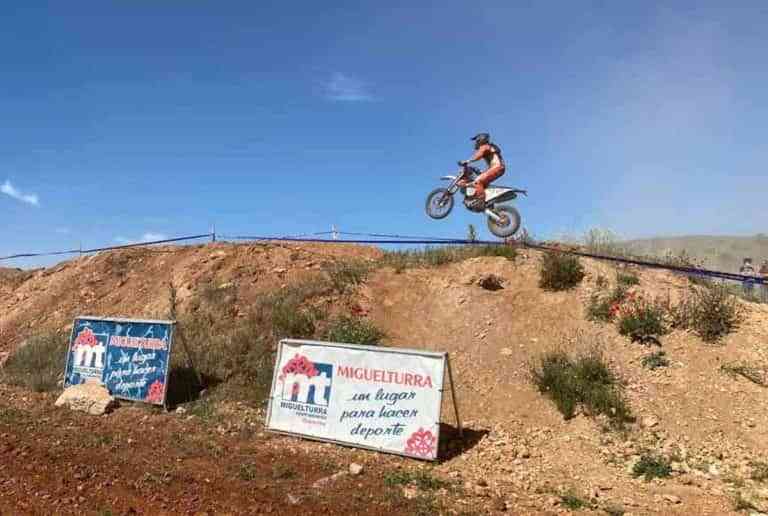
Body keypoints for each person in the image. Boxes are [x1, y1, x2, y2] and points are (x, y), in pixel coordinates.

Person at [458, 132, 505, 208]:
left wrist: (468, 161)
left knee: (477, 181)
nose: (475, 142)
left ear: (481, 139)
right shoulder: (489, 147)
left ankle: (481, 201)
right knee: (481, 185)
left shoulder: (485, 146)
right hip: (496, 168)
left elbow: (478, 155)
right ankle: (489, 205)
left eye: (476, 140)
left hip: (497, 167)